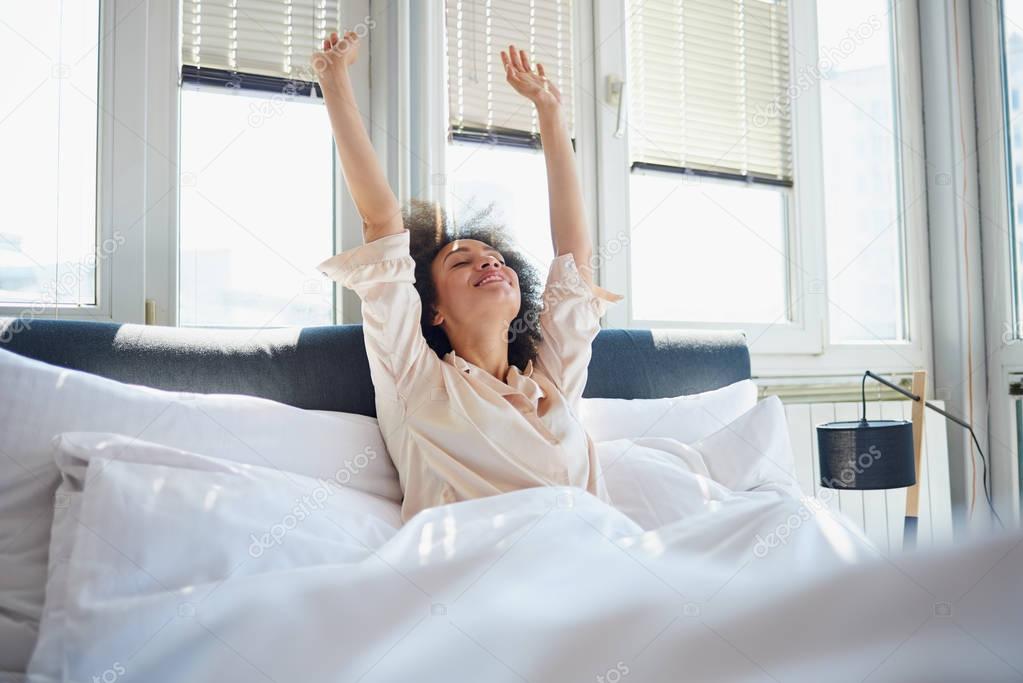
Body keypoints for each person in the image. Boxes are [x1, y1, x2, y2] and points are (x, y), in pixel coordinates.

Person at [312, 31, 624, 524]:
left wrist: (549, 112)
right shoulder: (415, 381)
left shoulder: (551, 385)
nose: (489, 262)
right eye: (462, 262)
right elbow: (381, 224)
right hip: (481, 574)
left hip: (604, 560)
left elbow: (573, 259)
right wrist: (334, 81)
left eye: (496, 257)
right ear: (431, 307)